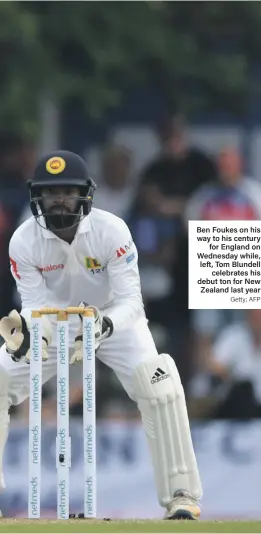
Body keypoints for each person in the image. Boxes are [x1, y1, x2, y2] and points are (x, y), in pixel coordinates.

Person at [0, 151, 202, 520]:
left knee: (160, 384)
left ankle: (181, 494)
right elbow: (32, 304)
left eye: (67, 191)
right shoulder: (23, 241)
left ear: (85, 194)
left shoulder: (112, 231)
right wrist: (32, 333)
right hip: (53, 322)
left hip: (113, 321)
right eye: (50, 192)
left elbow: (132, 302)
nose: (59, 200)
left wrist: (104, 324)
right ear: (37, 197)